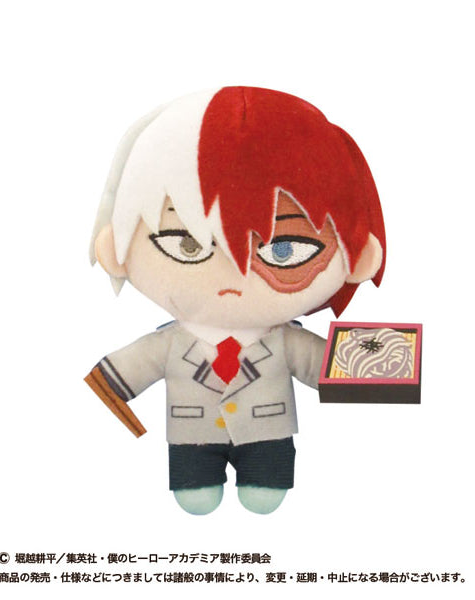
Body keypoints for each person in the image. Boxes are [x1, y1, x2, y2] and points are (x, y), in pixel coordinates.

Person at [85, 86, 386, 514]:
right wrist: (111, 390)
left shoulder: (285, 341)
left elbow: (330, 364)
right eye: (187, 245)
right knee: (196, 492)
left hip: (267, 431)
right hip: (191, 436)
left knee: (265, 488)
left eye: (284, 249)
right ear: (114, 247)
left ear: (358, 256)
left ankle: (261, 477)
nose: (235, 278)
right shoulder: (168, 343)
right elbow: (124, 371)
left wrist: (383, 368)